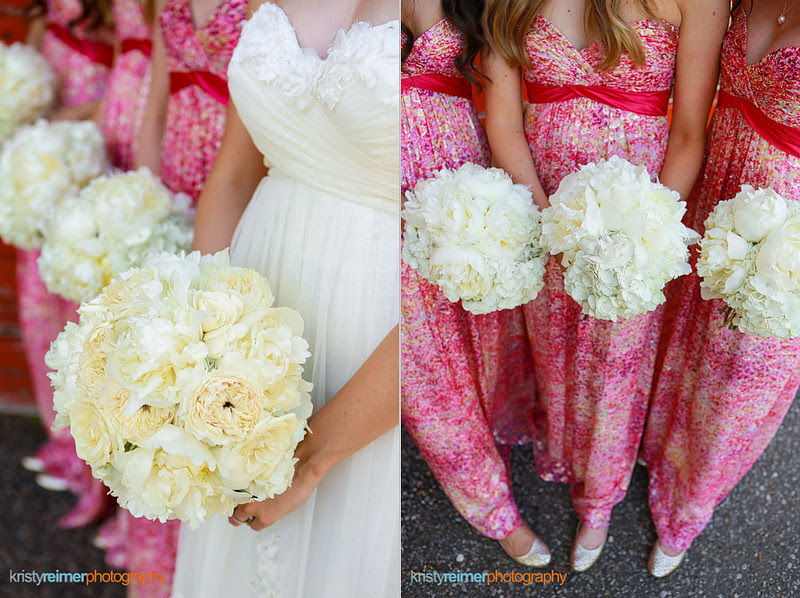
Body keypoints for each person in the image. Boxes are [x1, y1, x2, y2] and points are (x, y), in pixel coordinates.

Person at [483, 0, 727, 571]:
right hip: (540, 208)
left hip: (635, 226)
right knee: (554, 353)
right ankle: (564, 447)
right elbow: (504, 122)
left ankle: (599, 498)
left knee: (617, 368)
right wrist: (550, 231)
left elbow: (689, 132)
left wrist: (645, 238)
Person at [169, 0, 399, 595]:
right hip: (254, 288)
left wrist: (311, 455)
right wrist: (195, 341)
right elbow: (234, 175)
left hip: (376, 317)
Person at [643, 0, 800, 577]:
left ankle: (688, 510)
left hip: (784, 245)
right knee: (681, 339)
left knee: (738, 383)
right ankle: (654, 450)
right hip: (715, 190)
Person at [400, 0, 548, 566]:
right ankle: (491, 507)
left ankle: (504, 432)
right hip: (380, 198)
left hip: (464, 186)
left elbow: (504, 100)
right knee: (423, 369)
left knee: (486, 341)